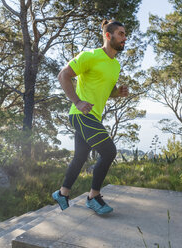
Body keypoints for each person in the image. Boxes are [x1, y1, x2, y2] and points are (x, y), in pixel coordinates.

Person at [52, 19, 128, 215]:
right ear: (107, 35)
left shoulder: (115, 65)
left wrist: (117, 93)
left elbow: (106, 89)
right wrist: (77, 101)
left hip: (94, 117)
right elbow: (63, 75)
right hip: (81, 115)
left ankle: (62, 193)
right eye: (120, 33)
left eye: (125, 34)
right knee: (109, 151)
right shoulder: (90, 55)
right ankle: (93, 197)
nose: (124, 38)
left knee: (80, 157)